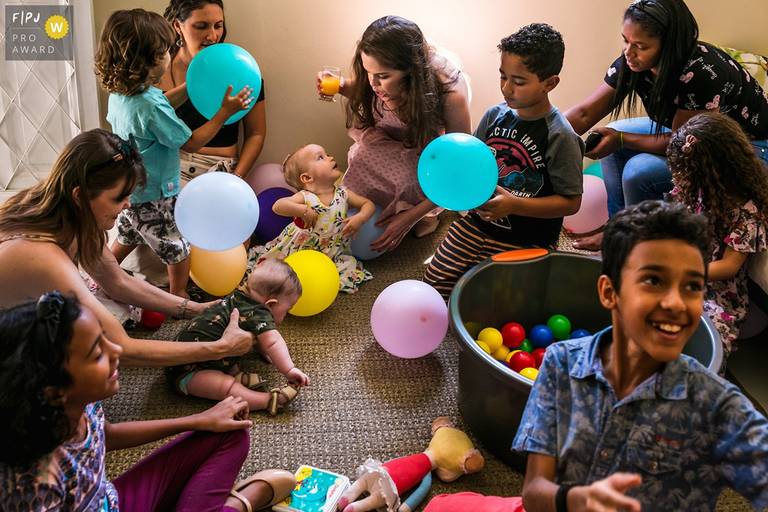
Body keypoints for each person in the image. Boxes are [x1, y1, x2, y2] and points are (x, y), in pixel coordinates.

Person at [511, 200, 768, 510]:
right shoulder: (560, 363)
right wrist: (575, 499)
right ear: (609, 292)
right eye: (654, 281)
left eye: (692, 286)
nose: (676, 303)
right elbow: (534, 491)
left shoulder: (717, 406)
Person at [0, 292, 296, 511]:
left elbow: (106, 434)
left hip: (112, 500)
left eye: (105, 340)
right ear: (54, 391)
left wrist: (198, 420)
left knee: (230, 432)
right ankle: (235, 505)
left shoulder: (77, 403)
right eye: (97, 353)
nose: (116, 349)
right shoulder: (34, 484)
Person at [0, 129, 253, 367]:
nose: (128, 206)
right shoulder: (43, 257)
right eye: (119, 197)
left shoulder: (71, 214)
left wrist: (195, 309)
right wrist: (220, 348)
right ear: (80, 195)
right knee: (85, 368)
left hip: (25, 326)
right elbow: (119, 347)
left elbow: (117, 281)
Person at [566, 0, 768, 250]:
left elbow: (681, 143)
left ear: (669, 45)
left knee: (638, 172)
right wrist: (544, 136)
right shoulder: (634, 62)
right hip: (687, 134)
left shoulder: (701, 73)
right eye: (625, 40)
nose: (629, 52)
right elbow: (585, 113)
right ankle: (619, 230)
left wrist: (621, 139)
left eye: (640, 46)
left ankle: (638, 246)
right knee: (612, 135)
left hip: (747, 151)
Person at [94, 8, 252, 297]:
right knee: (178, 246)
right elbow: (190, 142)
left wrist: (190, 87)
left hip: (134, 188)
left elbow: (161, 100)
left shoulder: (126, 94)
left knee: (130, 230)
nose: (170, 55)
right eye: (166, 51)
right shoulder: (150, 108)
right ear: (150, 60)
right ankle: (178, 295)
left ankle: (101, 275)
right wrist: (224, 112)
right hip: (159, 192)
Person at [424, 24, 583, 300]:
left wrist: (515, 204)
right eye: (503, 76)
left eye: (519, 81)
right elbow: (473, 165)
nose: (507, 88)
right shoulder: (493, 115)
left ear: (550, 83)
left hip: (527, 239)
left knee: (503, 306)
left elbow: (571, 202)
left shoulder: (560, 136)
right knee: (433, 286)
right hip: (475, 226)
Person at [328, 15, 471, 252]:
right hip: (390, 140)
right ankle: (390, 203)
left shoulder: (450, 96)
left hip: (425, 154)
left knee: (410, 180)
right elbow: (361, 89)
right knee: (362, 156)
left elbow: (458, 170)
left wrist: (411, 217)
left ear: (411, 73)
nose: (373, 84)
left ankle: (430, 217)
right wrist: (339, 84)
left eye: (383, 76)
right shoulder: (375, 80)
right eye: (367, 72)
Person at [667, 112, 768, 355]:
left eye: (688, 174)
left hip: (717, 292)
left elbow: (729, 266)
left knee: (706, 338)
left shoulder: (746, 213)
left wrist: (686, 273)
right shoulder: (696, 191)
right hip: (680, 270)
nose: (681, 180)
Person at [167, 259, 309, 415]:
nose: (286, 316)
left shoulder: (238, 296)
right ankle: (267, 400)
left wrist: (263, 349)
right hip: (188, 371)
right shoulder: (260, 313)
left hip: (177, 350)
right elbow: (273, 342)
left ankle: (234, 373)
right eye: (287, 310)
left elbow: (259, 334)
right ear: (271, 304)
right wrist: (289, 369)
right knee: (225, 386)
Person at [161, 0, 267, 182]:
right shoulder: (157, 68)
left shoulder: (240, 70)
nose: (213, 36)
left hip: (218, 169)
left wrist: (237, 178)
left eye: (218, 26)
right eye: (201, 26)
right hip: (168, 165)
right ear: (178, 26)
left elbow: (256, 133)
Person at [249, 144, 375, 293]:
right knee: (284, 273)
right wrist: (303, 210)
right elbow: (278, 206)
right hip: (300, 249)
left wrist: (360, 217)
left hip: (331, 250)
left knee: (339, 272)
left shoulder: (343, 193)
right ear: (307, 178)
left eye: (327, 154)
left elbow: (368, 204)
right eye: (321, 157)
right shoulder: (306, 197)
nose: (331, 157)